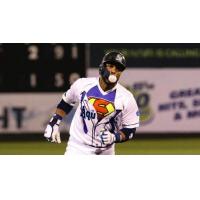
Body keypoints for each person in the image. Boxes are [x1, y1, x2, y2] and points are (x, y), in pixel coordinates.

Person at [44, 51, 140, 155]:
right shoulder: (82, 84)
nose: (114, 71)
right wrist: (55, 121)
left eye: (118, 69)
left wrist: (115, 137)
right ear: (102, 67)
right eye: (111, 66)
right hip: (77, 148)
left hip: (106, 151)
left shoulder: (126, 98)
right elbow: (66, 102)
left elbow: (130, 130)